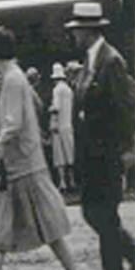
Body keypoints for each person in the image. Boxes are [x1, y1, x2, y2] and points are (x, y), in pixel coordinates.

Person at [0, 27, 87, 270]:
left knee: (47, 228)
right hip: (20, 166)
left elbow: (13, 125)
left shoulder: (11, 79)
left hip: (23, 167)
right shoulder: (17, 77)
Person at [65, 1, 135, 270]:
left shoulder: (111, 62)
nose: (73, 35)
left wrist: (129, 147)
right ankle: (133, 255)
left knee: (103, 215)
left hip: (107, 152)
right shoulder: (90, 63)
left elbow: (126, 108)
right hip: (92, 154)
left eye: (77, 30)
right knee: (94, 213)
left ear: (89, 30)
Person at [49, 63, 76, 194]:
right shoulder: (69, 90)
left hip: (59, 126)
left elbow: (56, 108)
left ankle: (62, 182)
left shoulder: (57, 90)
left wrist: (51, 116)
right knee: (69, 154)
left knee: (59, 156)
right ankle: (72, 180)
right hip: (68, 124)